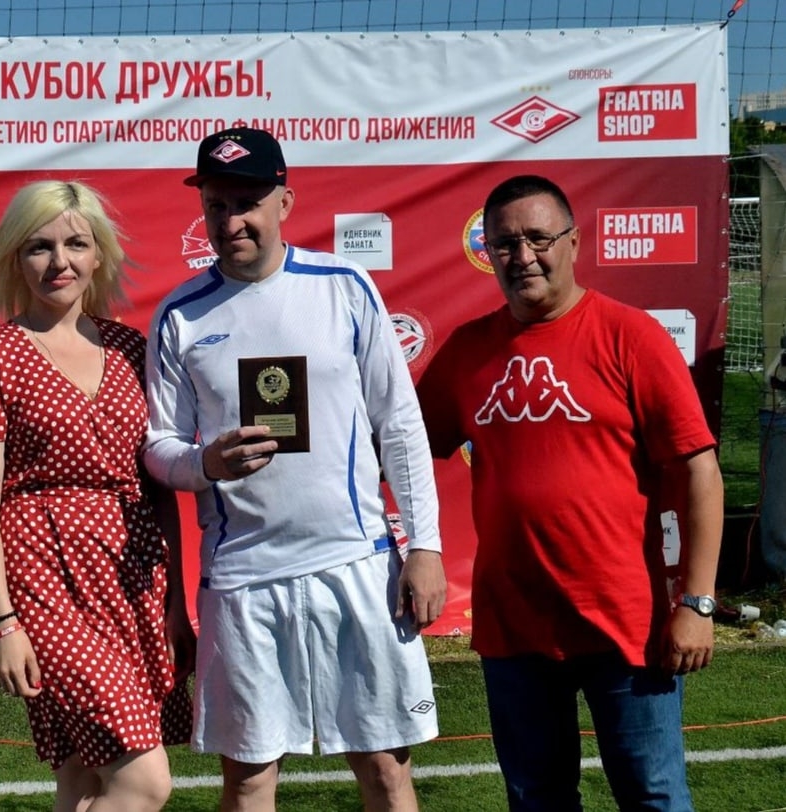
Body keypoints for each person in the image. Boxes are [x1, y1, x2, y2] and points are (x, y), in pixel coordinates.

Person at [144, 126, 445, 812]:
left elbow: (398, 423)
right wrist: (202, 463)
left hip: (356, 563)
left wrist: (425, 546)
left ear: (284, 202)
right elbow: (158, 447)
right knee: (249, 779)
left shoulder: (344, 286)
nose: (231, 221)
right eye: (216, 205)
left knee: (385, 770)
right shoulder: (180, 315)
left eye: (247, 203)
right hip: (242, 579)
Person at [415, 174, 723, 811]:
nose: (522, 256)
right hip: (514, 628)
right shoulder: (469, 351)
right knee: (538, 801)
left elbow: (701, 471)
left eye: (538, 238)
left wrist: (697, 603)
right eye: (504, 243)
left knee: (654, 797)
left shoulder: (631, 336)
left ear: (574, 242)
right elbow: (403, 450)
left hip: (627, 625)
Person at [0, 180, 195, 812]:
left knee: (83, 778)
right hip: (43, 576)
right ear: (15, 258)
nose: (59, 262)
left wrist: (175, 603)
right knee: (144, 782)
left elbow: (157, 489)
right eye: (39, 247)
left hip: (131, 576)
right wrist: (3, 623)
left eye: (75, 244)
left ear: (99, 255)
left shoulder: (131, 348)